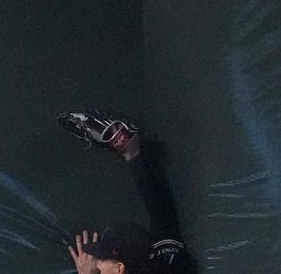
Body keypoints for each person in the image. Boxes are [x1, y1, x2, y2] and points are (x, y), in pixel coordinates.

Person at [58, 110, 194, 274]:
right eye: (98, 266)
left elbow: (162, 218)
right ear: (118, 268)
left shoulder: (163, 259)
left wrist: (132, 155)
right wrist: (133, 155)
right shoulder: (170, 264)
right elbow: (162, 215)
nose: (85, 267)